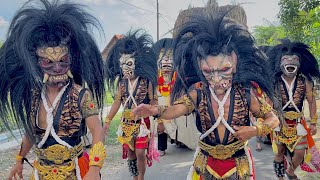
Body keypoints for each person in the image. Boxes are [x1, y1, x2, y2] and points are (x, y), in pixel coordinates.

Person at [132, 10, 280, 180]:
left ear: (235, 63)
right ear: (200, 68)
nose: (216, 79)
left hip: (238, 162)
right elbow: (177, 110)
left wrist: (254, 130)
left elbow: (273, 119)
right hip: (206, 161)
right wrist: (154, 110)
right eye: (208, 71)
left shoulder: (245, 94)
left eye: (224, 70)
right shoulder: (198, 91)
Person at [0, 0, 106, 179]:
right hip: (41, 171)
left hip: (74, 171)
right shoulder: (35, 96)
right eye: (48, 62)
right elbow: (30, 133)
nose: (57, 68)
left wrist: (94, 168)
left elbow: (97, 130)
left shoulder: (81, 95)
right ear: (37, 63)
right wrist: (19, 159)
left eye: (63, 60)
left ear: (71, 59)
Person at [103, 30, 158, 180]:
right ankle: (134, 176)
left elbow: (154, 102)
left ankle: (141, 177)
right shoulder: (121, 84)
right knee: (131, 152)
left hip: (142, 123)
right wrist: (107, 121)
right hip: (126, 122)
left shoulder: (147, 82)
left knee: (140, 152)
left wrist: (158, 115)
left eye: (129, 63)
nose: (125, 68)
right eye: (122, 64)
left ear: (137, 63)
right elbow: (116, 102)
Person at [268, 39, 320, 180]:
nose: (289, 62)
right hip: (279, 123)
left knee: (300, 153)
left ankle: (291, 171)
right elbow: (267, 102)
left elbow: (311, 101)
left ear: (300, 63)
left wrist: (313, 123)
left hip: (298, 124)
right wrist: (267, 119)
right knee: (279, 152)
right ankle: (280, 177)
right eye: (285, 59)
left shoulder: (305, 81)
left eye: (294, 59)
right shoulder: (275, 81)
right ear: (279, 63)